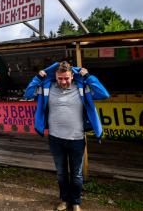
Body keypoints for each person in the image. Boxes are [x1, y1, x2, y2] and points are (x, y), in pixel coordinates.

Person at [24, 61, 109, 211]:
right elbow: (28, 94)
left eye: (66, 78)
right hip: (55, 139)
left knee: (76, 175)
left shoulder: (82, 87)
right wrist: (37, 77)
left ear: (72, 76)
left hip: (76, 139)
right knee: (62, 173)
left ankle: (75, 202)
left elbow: (103, 94)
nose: (63, 82)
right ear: (55, 77)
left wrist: (88, 76)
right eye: (60, 78)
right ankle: (64, 200)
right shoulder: (47, 87)